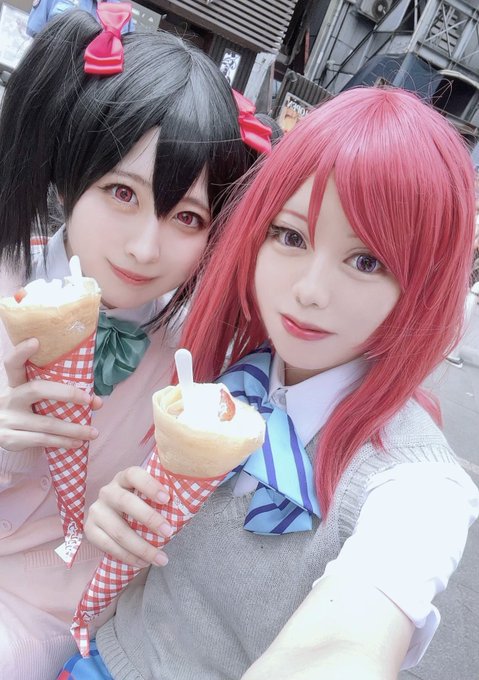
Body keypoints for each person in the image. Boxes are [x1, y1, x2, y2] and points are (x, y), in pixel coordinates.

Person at [62, 87, 479, 679]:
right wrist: (112, 516)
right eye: (290, 236)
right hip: (93, 655)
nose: (310, 290)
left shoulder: (415, 484)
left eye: (367, 261)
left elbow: (352, 640)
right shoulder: (226, 366)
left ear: (425, 282)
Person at [0, 6, 259, 678]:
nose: (146, 247)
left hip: (81, 622)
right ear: (70, 177)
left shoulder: (201, 362)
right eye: (122, 192)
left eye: (187, 217)